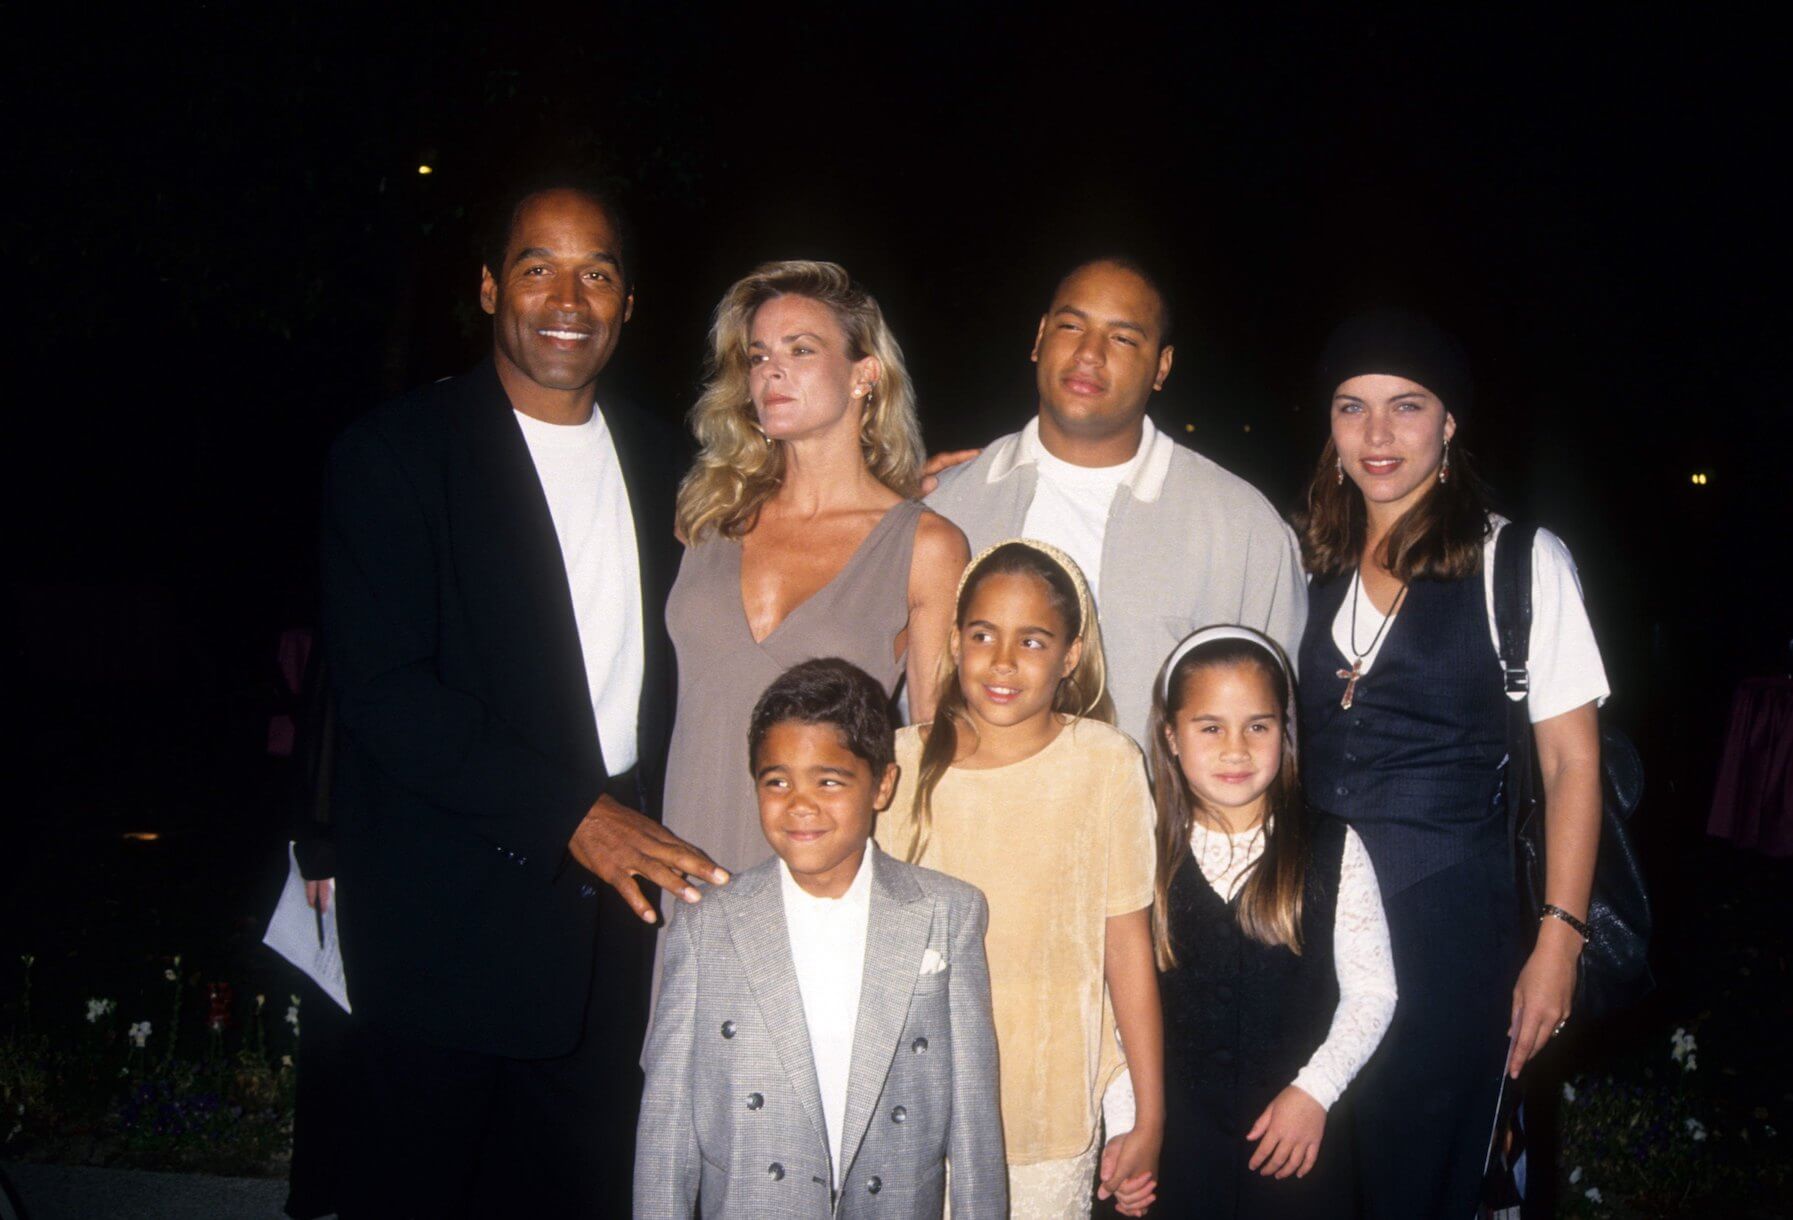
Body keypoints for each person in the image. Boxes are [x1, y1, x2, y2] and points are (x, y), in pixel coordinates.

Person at [320, 178, 728, 1216]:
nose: (567, 295)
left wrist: (921, 495)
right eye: (538, 265)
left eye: (597, 271)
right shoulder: (393, 454)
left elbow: (800, 534)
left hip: (614, 945)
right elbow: (382, 690)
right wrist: (570, 815)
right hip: (445, 931)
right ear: (492, 284)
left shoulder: (670, 461)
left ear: (627, 302)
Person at [1293, 309, 1609, 1218]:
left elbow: (1571, 766)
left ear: (1450, 422)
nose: (1377, 435)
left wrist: (1558, 941)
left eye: (1408, 406)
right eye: (1352, 408)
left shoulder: (1518, 561)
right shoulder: (1302, 560)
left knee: (1422, 1179)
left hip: (1447, 937)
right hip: (1311, 930)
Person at [636, 658, 1007, 1218]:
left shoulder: (947, 914)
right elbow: (667, 1123)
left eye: (829, 780)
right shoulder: (708, 925)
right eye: (777, 781)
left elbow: (975, 1118)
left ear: (882, 784)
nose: (799, 804)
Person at [875, 539, 1162, 1219]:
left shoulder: (1105, 765)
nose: (1002, 662)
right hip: (910, 1111)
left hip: (1042, 1119)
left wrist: (1147, 1116)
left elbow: (1127, 950)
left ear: (1069, 656)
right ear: (953, 640)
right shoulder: (898, 764)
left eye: (1032, 642)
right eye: (983, 634)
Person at [664, 260, 968, 882]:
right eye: (757, 356)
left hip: (821, 877)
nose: (771, 370)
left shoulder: (925, 546)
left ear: (865, 376)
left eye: (800, 350)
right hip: (685, 865)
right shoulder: (704, 518)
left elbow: (934, 751)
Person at [924, 257, 1307, 745]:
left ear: (1162, 366)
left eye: (1122, 338)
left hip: (1156, 821)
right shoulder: (947, 508)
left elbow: (1276, 731)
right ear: (1039, 337)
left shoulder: (1241, 529)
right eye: (1070, 326)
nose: (1089, 353)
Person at [1146, 626, 1396, 1219]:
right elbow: (1113, 1010)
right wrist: (1132, 1127)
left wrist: (1316, 1091)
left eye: (1258, 726)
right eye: (1211, 728)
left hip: (1297, 1152)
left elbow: (1373, 992)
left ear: (1285, 734)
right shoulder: (1140, 856)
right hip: (1178, 1159)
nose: (1236, 749)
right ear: (1171, 737)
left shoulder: (1332, 847)